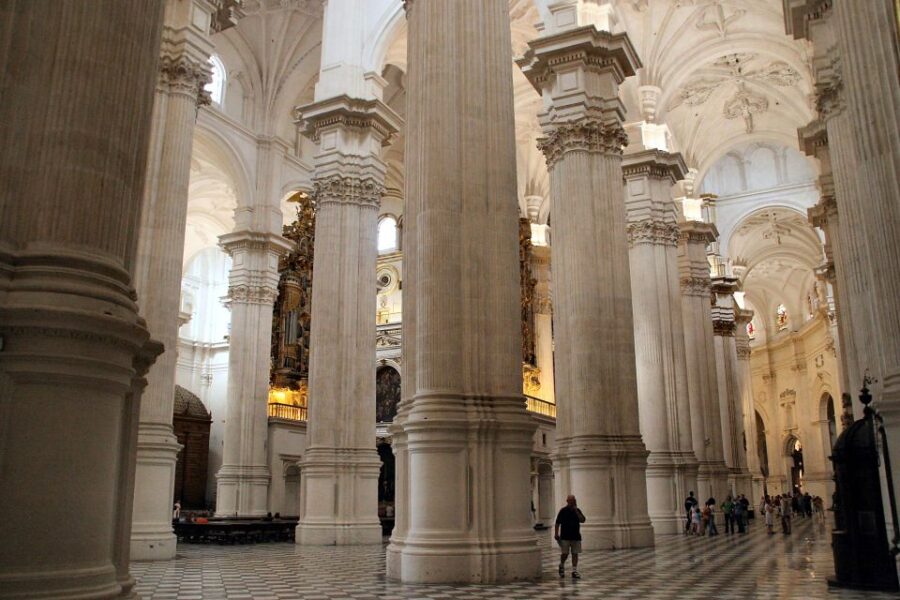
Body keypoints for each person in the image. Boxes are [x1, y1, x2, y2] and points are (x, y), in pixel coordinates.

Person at [555, 494, 586, 579]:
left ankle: (574, 570)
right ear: (567, 501)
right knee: (565, 553)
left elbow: (582, 520)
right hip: (565, 535)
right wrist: (556, 533)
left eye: (573, 500)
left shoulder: (577, 510)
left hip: (576, 536)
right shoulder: (563, 511)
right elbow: (557, 523)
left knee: (575, 553)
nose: (572, 502)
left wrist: (576, 511)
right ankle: (561, 565)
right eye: (571, 500)